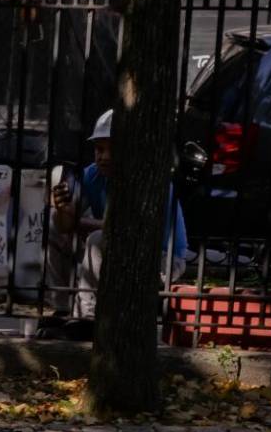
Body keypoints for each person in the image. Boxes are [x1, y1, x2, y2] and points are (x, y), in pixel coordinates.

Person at [42, 108, 189, 339]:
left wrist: (79, 221)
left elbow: (127, 227)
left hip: (160, 260)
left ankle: (88, 319)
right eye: (99, 149)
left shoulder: (148, 179)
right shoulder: (93, 175)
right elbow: (64, 227)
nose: (104, 156)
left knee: (97, 239)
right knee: (53, 226)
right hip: (120, 250)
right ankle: (63, 309)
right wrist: (62, 210)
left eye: (112, 149)